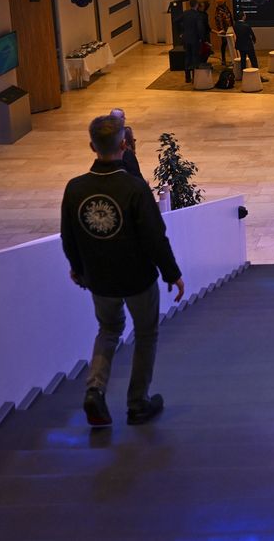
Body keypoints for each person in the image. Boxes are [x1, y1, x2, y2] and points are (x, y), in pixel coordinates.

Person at [61, 115, 185, 427]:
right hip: (138, 279)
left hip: (99, 281)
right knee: (145, 334)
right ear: (125, 145)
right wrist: (172, 274)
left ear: (92, 146)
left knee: (108, 330)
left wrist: (78, 269)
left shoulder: (75, 189)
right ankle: (137, 403)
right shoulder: (133, 188)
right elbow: (155, 237)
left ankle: (95, 391)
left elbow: (69, 236)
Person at [110, 108, 142, 180]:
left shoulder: (126, 130)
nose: (124, 118)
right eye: (122, 117)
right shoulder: (125, 131)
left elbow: (132, 146)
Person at [179, 0, 206, 83]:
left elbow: (176, 21)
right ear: (197, 5)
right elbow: (200, 28)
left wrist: (181, 32)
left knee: (187, 57)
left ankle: (187, 78)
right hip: (195, 39)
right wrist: (202, 38)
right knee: (195, 58)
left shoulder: (185, 13)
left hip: (186, 38)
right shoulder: (197, 15)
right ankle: (195, 77)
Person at [233, 11, 265, 78]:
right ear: (243, 16)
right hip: (248, 45)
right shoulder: (246, 25)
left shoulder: (235, 25)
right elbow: (252, 35)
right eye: (245, 15)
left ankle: (243, 75)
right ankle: (257, 76)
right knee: (253, 60)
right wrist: (254, 40)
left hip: (240, 45)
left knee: (243, 60)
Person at [213, 0, 233, 66]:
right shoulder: (218, 11)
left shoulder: (226, 8)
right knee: (224, 44)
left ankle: (233, 59)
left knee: (231, 44)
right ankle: (223, 59)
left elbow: (230, 17)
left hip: (230, 29)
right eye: (224, 1)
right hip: (224, 31)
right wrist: (222, 30)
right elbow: (219, 21)